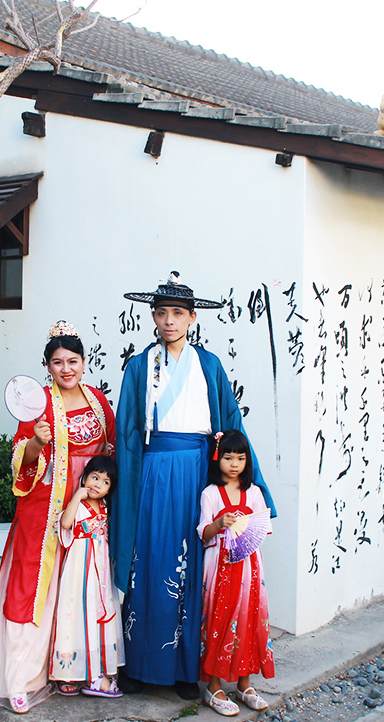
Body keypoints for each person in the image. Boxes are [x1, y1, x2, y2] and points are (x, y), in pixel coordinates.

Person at [112, 271, 276, 700]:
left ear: (192, 318)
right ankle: (141, 665)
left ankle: (187, 669)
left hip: (197, 473)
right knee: (148, 561)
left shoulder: (209, 365)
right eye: (162, 313)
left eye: (178, 314)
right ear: (153, 316)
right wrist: (124, 483)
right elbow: (128, 430)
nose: (170, 321)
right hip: (153, 471)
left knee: (191, 570)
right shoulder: (139, 365)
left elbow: (229, 427)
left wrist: (247, 484)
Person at [0, 321, 115, 714]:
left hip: (88, 509)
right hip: (45, 505)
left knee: (80, 585)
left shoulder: (98, 401)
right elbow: (20, 460)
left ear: (85, 363)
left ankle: (72, 670)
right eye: (57, 362)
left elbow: (109, 454)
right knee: (32, 584)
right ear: (47, 366)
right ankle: (21, 678)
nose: (66, 368)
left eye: (73, 360)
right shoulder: (36, 403)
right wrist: (38, 441)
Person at [197, 429, 275, 716]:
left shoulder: (254, 492)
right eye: (228, 457)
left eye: (240, 458)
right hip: (219, 566)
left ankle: (245, 683)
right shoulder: (210, 494)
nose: (234, 464)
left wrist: (243, 528)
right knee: (217, 620)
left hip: (249, 568)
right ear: (217, 458)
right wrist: (219, 523)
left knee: (249, 621)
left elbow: (262, 528)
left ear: (247, 461)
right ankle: (214, 686)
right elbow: (203, 533)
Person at [50, 455, 125, 699]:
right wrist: (77, 496)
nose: (97, 485)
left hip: (101, 569)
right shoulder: (80, 505)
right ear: (84, 477)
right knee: (75, 615)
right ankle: (68, 672)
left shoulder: (104, 507)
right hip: (80, 568)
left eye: (105, 482)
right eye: (94, 477)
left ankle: (97, 670)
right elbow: (66, 522)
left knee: (96, 615)